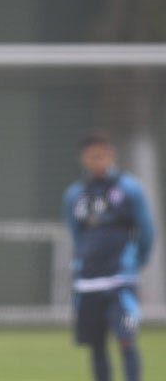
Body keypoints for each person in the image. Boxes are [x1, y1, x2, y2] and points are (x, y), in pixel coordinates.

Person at [63, 131, 154, 381]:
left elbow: (146, 229)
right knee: (96, 344)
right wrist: (82, 261)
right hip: (89, 281)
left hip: (120, 280)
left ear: (111, 156)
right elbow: (76, 233)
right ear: (83, 159)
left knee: (126, 338)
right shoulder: (75, 195)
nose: (99, 161)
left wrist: (136, 261)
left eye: (103, 156)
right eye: (93, 156)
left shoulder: (129, 189)